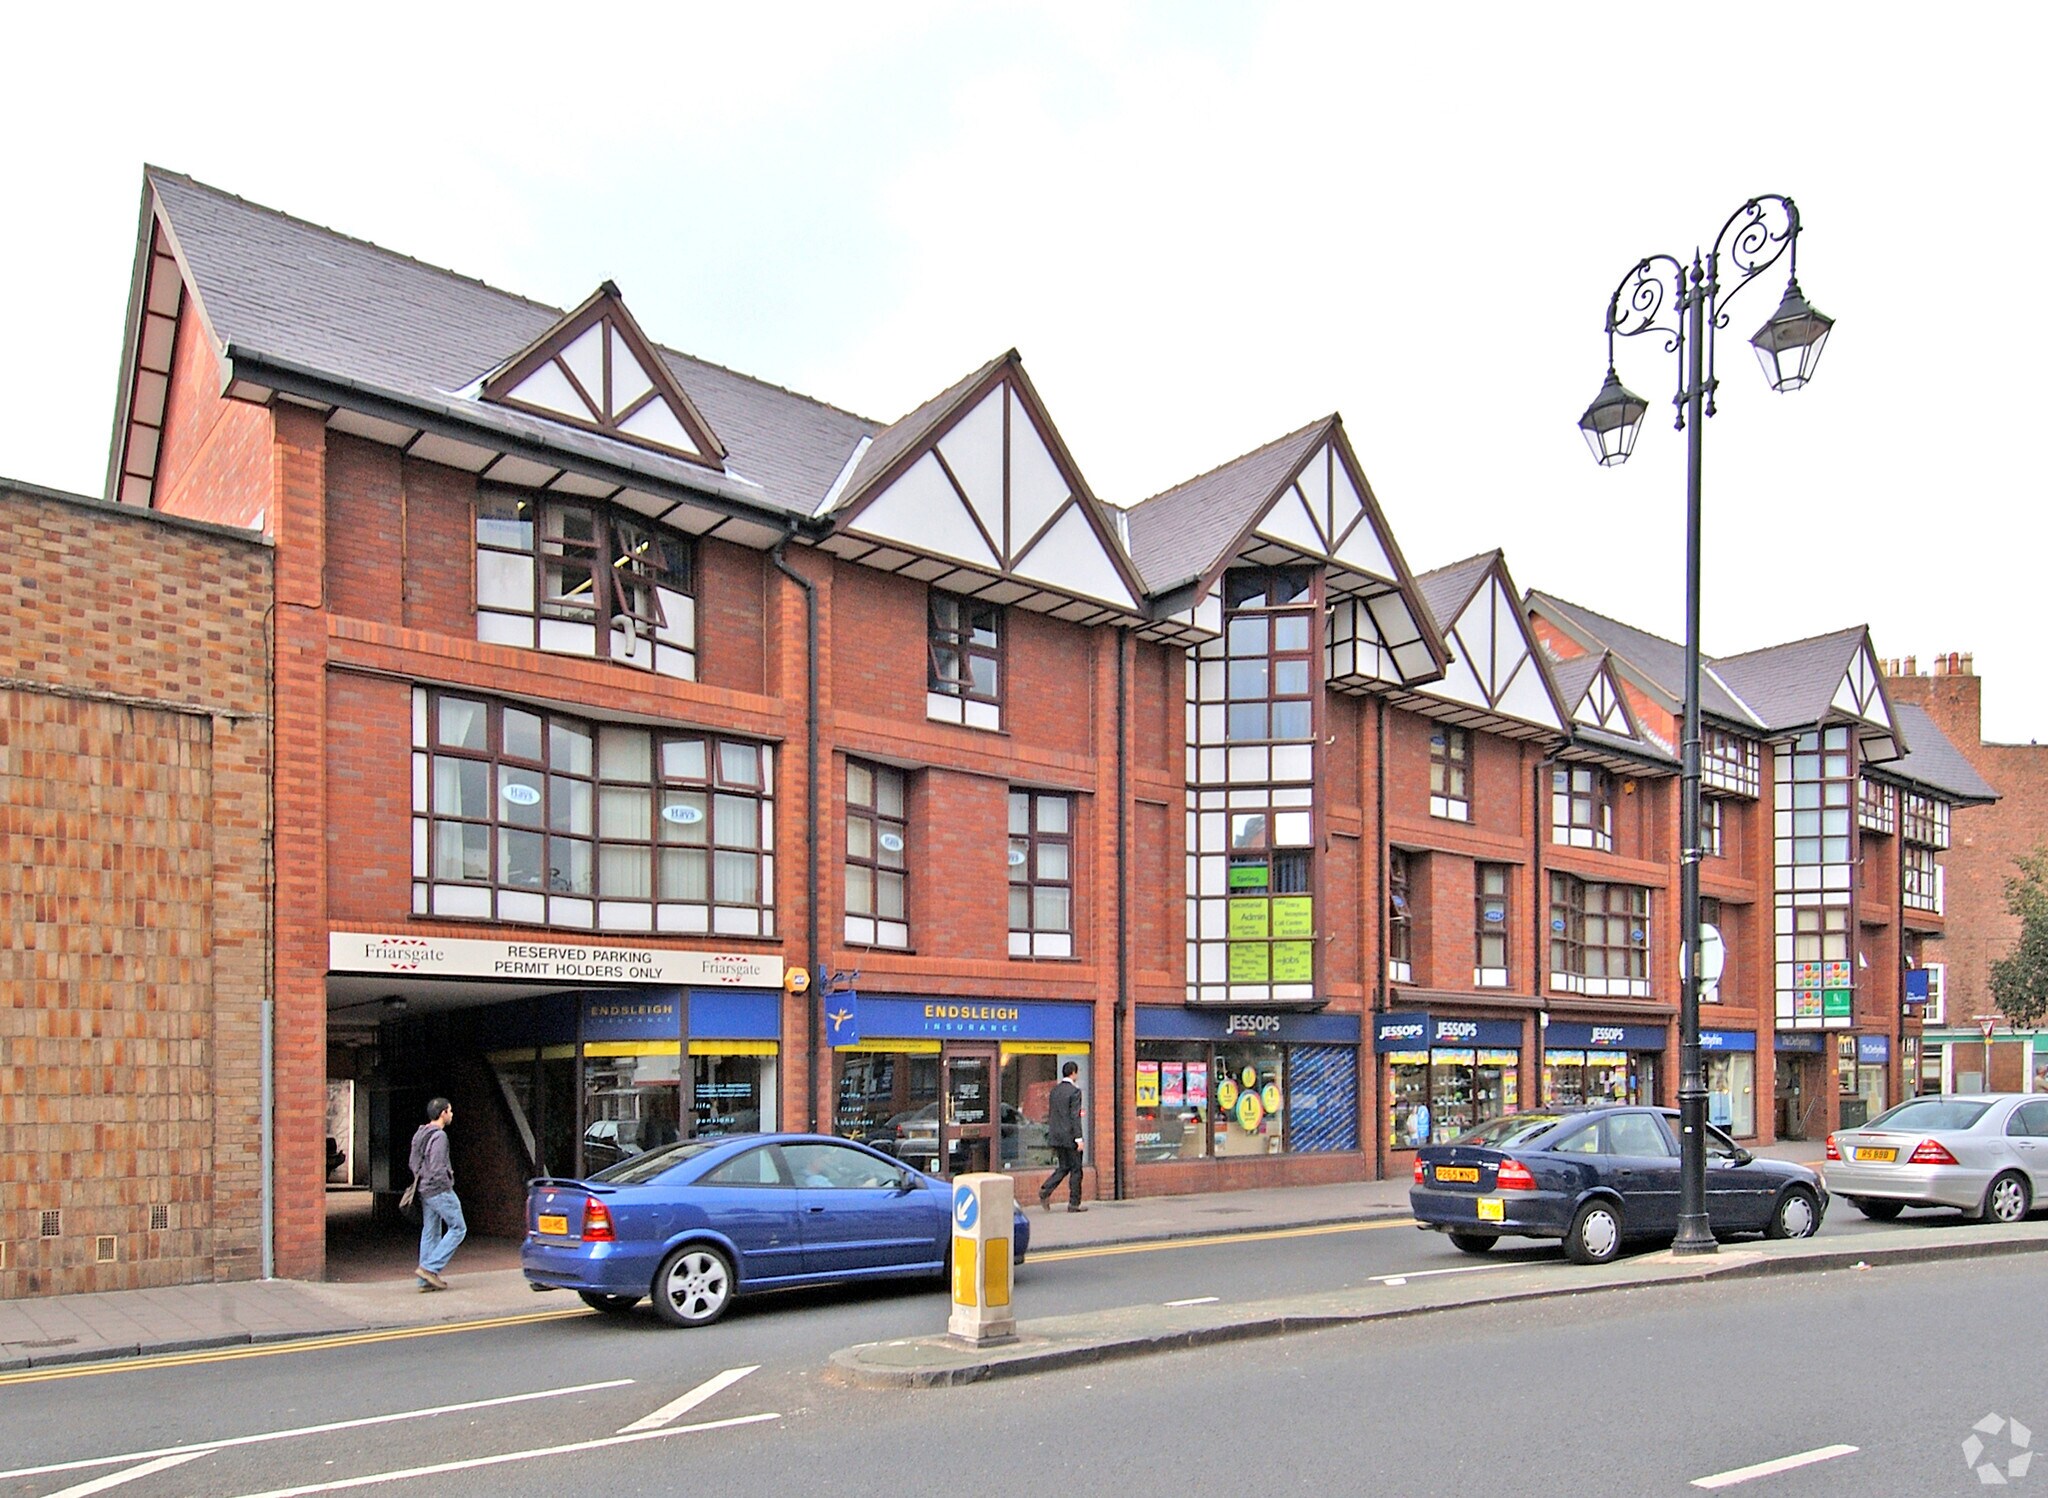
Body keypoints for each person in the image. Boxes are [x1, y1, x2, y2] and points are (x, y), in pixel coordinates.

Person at [408, 1097, 465, 1290]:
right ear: (443, 1113)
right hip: (439, 1190)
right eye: (450, 1111)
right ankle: (429, 1269)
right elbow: (438, 1166)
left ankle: (425, 1282)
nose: (452, 1114)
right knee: (458, 1228)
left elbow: (413, 1163)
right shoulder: (440, 1137)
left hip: (424, 1189)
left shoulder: (420, 1134)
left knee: (430, 1232)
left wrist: (423, 1178)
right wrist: (445, 1184)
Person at [1038, 1061, 1087, 1213]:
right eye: (1077, 1072)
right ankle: (1074, 1204)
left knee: (1064, 1167)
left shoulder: (1055, 1091)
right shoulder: (1075, 1092)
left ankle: (1045, 1190)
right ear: (1073, 1073)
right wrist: (1079, 1139)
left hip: (1056, 1135)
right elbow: (1074, 1116)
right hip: (1070, 1136)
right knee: (1076, 1170)